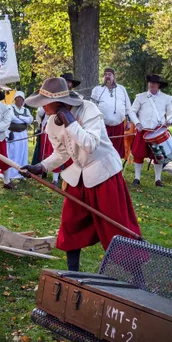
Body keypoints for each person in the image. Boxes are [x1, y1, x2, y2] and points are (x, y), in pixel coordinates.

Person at [21, 77, 142, 272]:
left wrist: (69, 121)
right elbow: (61, 153)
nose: (43, 106)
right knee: (70, 224)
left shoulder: (88, 110)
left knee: (117, 228)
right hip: (78, 176)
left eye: (46, 102)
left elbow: (90, 144)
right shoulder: (51, 122)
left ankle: (137, 276)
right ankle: (72, 275)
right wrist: (41, 167)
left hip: (105, 174)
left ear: (58, 102)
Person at [128, 74, 172, 186]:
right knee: (138, 154)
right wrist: (137, 123)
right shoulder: (140, 97)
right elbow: (132, 111)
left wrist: (168, 121)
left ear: (158, 85)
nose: (151, 85)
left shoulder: (166, 98)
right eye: (150, 83)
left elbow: (171, 114)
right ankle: (137, 178)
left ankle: (158, 179)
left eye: (154, 83)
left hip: (158, 131)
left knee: (159, 156)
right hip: (143, 130)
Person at [90, 67, 132, 159]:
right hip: (102, 125)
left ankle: (116, 167)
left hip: (118, 125)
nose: (107, 76)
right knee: (103, 150)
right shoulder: (97, 89)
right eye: (105, 75)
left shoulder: (121, 89)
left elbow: (128, 106)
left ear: (114, 77)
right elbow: (92, 107)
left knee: (116, 151)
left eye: (109, 74)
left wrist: (129, 121)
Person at [0, 91, 33, 182]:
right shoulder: (10, 107)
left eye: (21, 99)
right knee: (12, 153)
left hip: (23, 134)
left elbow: (30, 119)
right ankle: (10, 173)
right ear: (15, 99)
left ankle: (21, 172)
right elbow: (13, 119)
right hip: (13, 133)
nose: (20, 100)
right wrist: (24, 120)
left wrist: (20, 117)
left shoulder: (26, 110)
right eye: (18, 98)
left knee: (22, 153)